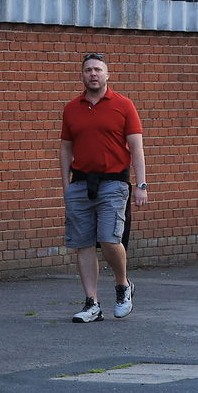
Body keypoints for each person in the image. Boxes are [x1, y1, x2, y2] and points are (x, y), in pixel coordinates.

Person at [59, 52, 147, 323]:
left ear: (107, 75)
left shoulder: (124, 106)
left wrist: (141, 184)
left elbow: (136, 148)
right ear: (82, 75)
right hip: (80, 184)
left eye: (98, 70)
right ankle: (92, 303)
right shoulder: (72, 108)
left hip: (113, 183)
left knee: (110, 240)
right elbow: (65, 149)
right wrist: (67, 187)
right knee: (83, 244)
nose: (93, 74)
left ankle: (123, 285)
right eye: (88, 70)